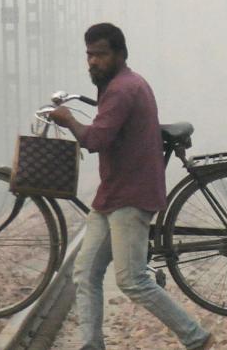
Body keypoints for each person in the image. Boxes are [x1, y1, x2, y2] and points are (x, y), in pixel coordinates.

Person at [50, 23, 213, 350]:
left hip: (130, 196)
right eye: (89, 55)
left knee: (133, 280)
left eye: (101, 55)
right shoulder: (117, 85)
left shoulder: (123, 89)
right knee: (85, 275)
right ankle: (91, 346)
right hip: (111, 195)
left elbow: (95, 139)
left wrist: (68, 119)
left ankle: (195, 337)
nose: (93, 62)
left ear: (120, 55)